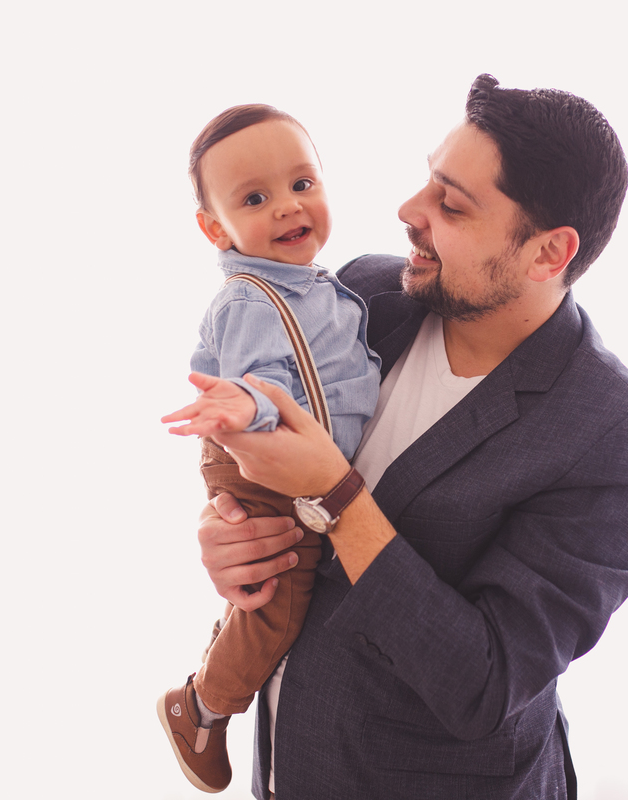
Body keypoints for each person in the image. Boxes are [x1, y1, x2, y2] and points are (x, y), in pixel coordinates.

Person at [198, 74, 628, 799]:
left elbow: (482, 684)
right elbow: (270, 470)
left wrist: (335, 494)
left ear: (548, 253)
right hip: (290, 763)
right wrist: (228, 532)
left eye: (450, 204)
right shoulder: (364, 294)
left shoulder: (618, 436)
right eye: (430, 181)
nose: (407, 211)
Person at [155, 104, 381, 793]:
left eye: (302, 184)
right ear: (215, 228)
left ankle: (218, 667)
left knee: (268, 581)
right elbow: (260, 382)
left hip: (287, 453)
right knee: (279, 597)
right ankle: (201, 707)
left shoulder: (325, 285)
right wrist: (247, 403)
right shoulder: (250, 299)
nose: (288, 207)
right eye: (255, 198)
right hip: (259, 451)